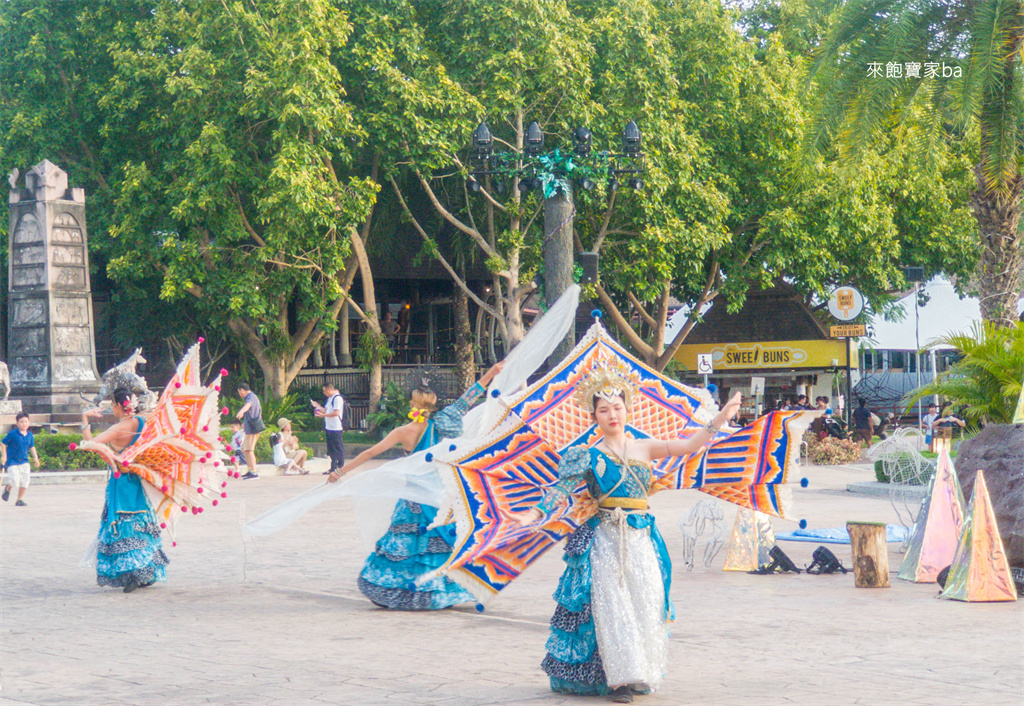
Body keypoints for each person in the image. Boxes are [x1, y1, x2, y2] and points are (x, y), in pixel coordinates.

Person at [504, 365, 743, 702]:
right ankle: (618, 680)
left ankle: (639, 671)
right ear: (594, 416)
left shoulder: (645, 447)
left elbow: (690, 445)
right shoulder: (586, 455)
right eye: (604, 410)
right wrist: (532, 514)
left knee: (645, 602)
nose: (612, 414)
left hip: (642, 539)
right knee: (612, 607)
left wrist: (720, 418)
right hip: (605, 539)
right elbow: (560, 491)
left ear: (627, 409)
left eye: (617, 407)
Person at [328, 362, 504, 610]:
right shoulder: (442, 424)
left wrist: (340, 471)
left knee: (408, 546)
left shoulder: (403, 431)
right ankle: (435, 593)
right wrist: (490, 374)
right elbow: (467, 400)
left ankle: (405, 591)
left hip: (413, 498)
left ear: (413, 405)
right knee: (438, 544)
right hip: (439, 496)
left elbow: (370, 453)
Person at [82, 388, 169, 592]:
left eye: (112, 405)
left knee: (122, 523)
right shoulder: (142, 423)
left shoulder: (119, 428)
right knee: (139, 521)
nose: (111, 409)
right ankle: (144, 571)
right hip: (137, 479)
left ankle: (132, 573)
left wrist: (84, 417)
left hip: (121, 480)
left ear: (118, 406)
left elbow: (90, 443)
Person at [1, 412, 40, 506]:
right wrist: (4, 455)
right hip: (12, 461)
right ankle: (7, 488)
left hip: (24, 461)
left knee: (25, 481)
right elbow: (3, 443)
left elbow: (32, 447)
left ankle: (19, 500)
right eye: (21, 422)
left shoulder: (30, 435)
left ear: (29, 423)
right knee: (15, 480)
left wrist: (36, 458)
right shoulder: (12, 434)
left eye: (26, 422)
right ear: (17, 423)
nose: (24, 424)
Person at [314, 383, 345, 475]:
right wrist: (317, 406)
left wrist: (324, 415)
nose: (324, 393)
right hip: (329, 427)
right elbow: (326, 410)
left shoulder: (337, 399)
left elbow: (336, 413)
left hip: (335, 427)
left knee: (337, 448)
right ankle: (333, 467)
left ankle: (340, 466)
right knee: (331, 449)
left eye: (325, 391)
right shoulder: (330, 399)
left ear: (330, 389)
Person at [236, 383, 264, 480]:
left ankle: (254, 472)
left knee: (249, 450)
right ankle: (250, 470)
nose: (240, 394)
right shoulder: (250, 397)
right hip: (249, 428)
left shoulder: (251, 397)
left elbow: (248, 406)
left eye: (240, 392)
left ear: (242, 390)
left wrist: (241, 412)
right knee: (245, 449)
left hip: (253, 429)